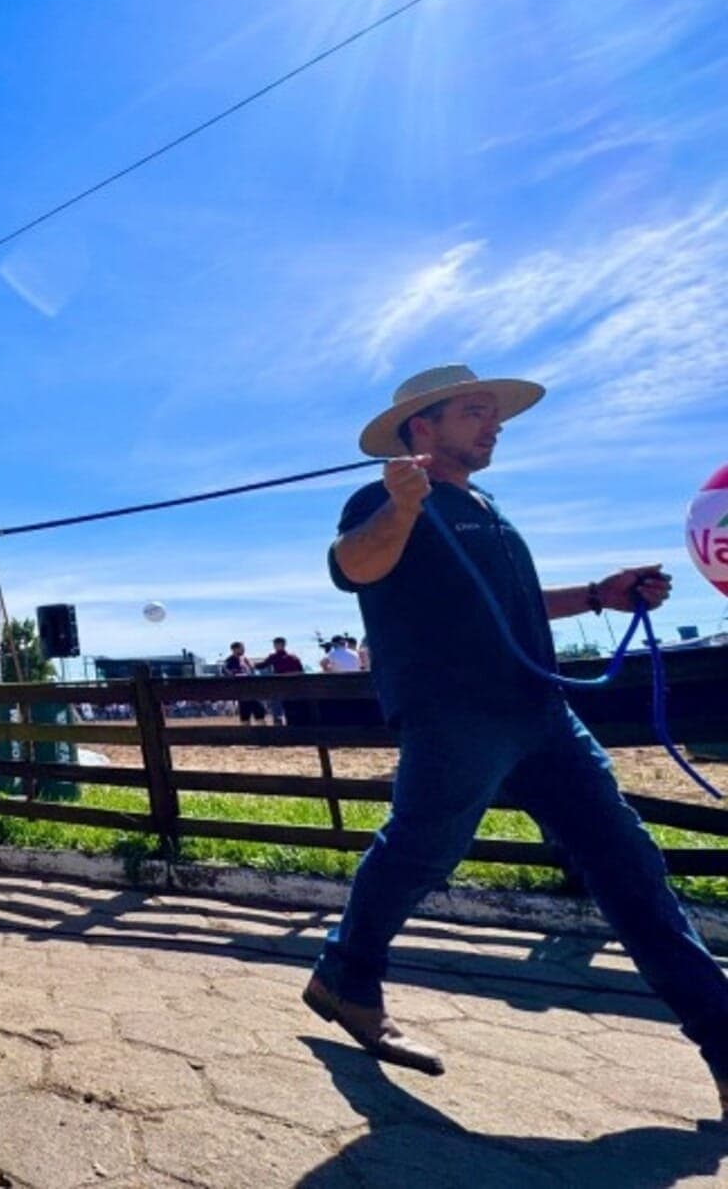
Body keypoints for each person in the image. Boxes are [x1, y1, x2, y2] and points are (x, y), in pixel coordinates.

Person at [301, 363, 728, 1110]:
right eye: (475, 411)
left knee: (630, 863)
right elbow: (353, 565)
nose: (493, 422)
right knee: (421, 852)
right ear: (422, 428)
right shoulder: (383, 497)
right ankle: (346, 974)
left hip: (543, 712)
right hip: (456, 711)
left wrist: (599, 594)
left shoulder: (487, 508)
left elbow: (513, 602)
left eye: (493, 413)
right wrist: (401, 506)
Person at [257, 637, 306, 724]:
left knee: (277, 711)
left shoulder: (274, 657)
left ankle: (279, 731)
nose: (274, 646)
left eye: (275, 644)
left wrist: (251, 664)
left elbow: (261, 666)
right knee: (292, 711)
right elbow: (301, 672)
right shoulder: (294, 657)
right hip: (294, 688)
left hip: (279, 688)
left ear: (279, 645)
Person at [221, 641, 265, 725]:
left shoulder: (245, 659)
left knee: (259, 711)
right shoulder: (229, 661)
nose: (243, 650)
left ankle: (262, 733)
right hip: (241, 690)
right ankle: (247, 735)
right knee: (246, 713)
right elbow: (226, 671)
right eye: (241, 648)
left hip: (251, 689)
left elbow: (252, 670)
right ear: (235, 649)